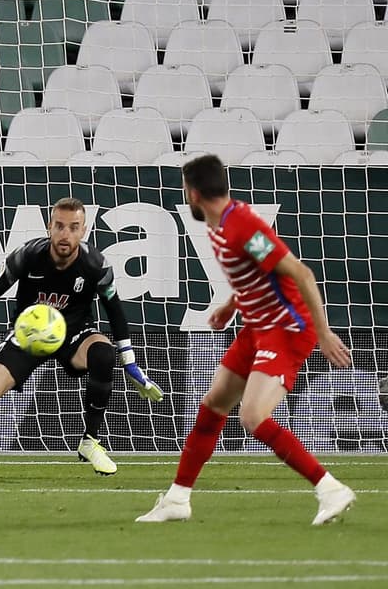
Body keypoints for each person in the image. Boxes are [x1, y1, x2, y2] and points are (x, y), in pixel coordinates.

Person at [136, 155, 356, 525]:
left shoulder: (242, 227)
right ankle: (178, 498)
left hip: (286, 329)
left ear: (192, 192)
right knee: (214, 403)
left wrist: (322, 333)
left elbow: (301, 274)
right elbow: (258, 276)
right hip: (256, 326)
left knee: (252, 416)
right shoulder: (220, 224)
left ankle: (330, 488)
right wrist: (229, 305)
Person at [0, 197, 165, 482]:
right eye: (59, 226)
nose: (65, 234)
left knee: (103, 353)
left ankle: (90, 440)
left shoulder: (97, 266)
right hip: (27, 336)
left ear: (84, 230)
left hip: (74, 335)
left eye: (74, 227)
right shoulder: (26, 256)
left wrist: (129, 362)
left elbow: (115, 311)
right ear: (49, 227)